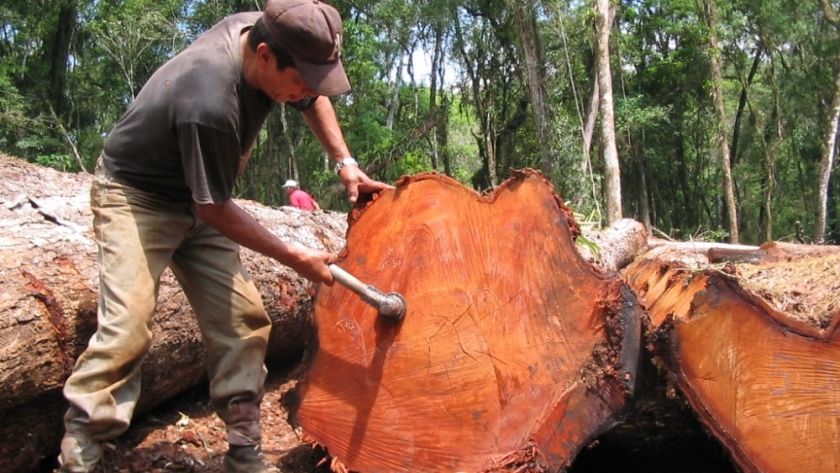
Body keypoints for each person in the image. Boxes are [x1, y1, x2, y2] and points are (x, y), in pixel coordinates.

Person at [55, 0, 392, 472]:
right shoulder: (209, 99)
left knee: (243, 322)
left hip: (201, 196)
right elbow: (213, 208)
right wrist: (295, 256)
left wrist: (346, 164)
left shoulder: (265, 34)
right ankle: (84, 446)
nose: (304, 92)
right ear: (264, 55)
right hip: (137, 196)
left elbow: (311, 95)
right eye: (299, 79)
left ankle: (244, 452)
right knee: (128, 327)